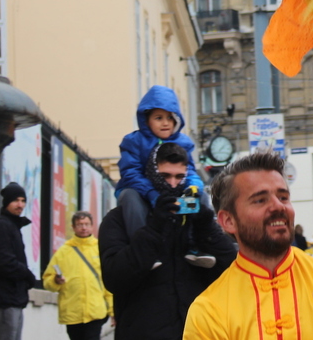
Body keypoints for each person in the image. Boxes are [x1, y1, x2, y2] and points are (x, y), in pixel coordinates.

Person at [182, 151, 313, 339]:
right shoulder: (209, 311)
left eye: (283, 197)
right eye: (260, 200)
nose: (278, 206)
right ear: (228, 221)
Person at [100, 142, 236, 339]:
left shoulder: (194, 218)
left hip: (197, 332)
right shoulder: (120, 218)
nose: (173, 184)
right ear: (151, 175)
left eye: (179, 177)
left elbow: (231, 270)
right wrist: (154, 228)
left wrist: (206, 228)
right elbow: (114, 278)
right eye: (165, 176)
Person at [115, 86, 206, 249]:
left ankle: (196, 245)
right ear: (146, 120)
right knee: (129, 196)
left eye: (170, 118)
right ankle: (141, 246)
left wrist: (193, 187)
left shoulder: (183, 143)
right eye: (158, 118)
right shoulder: (133, 141)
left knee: (201, 197)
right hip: (144, 195)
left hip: (174, 193)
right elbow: (130, 173)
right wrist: (152, 195)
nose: (165, 123)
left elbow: (189, 171)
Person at [43, 211, 114, 340]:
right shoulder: (64, 251)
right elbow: (47, 281)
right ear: (73, 227)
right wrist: (55, 281)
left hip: (95, 311)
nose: (84, 228)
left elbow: (108, 281)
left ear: (92, 226)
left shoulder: (99, 248)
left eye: (87, 224)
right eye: (80, 224)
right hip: (72, 312)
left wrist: (112, 310)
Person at [0, 182, 38, 340]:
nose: (20, 205)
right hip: (3, 299)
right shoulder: (2, 226)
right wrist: (27, 275)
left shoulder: (12, 226)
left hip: (12, 298)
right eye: (16, 200)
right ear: (6, 202)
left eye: (23, 201)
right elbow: (4, 263)